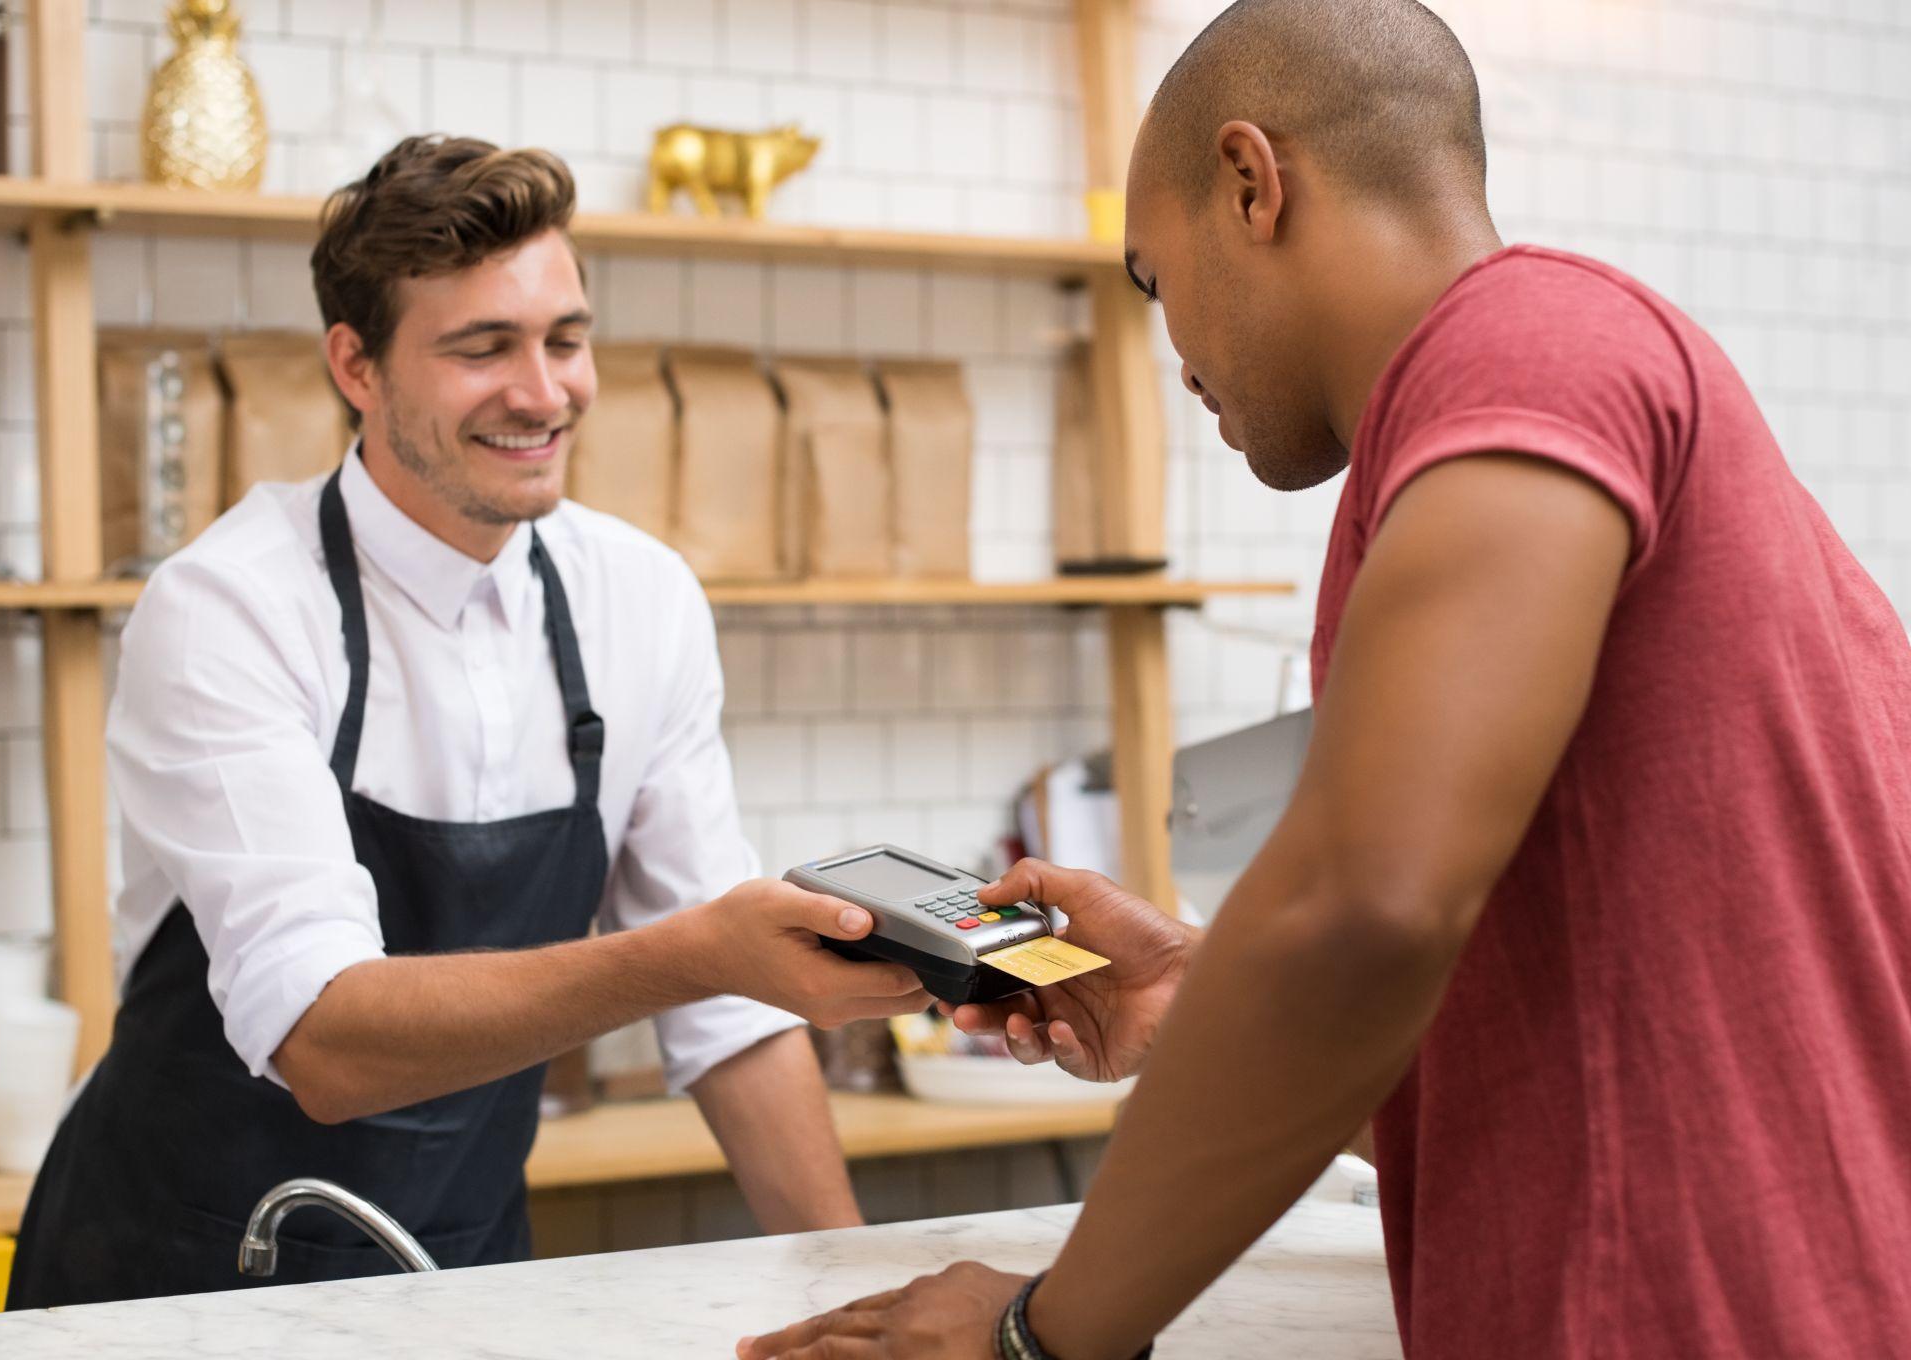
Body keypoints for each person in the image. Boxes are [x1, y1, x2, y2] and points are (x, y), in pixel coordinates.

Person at [740, 1, 1911, 1356]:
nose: (1172, 350)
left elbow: (1366, 909)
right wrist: (1188, 999)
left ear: (1252, 183)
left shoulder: (1532, 344)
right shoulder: (1530, 399)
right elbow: (1568, 1023)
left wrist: (1040, 1335)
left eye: (1151, 277)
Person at [7, 135, 929, 1309]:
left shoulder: (637, 601)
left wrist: (853, 1292)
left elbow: (726, 1017)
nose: (543, 393)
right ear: (357, 365)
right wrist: (693, 950)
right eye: (481, 347)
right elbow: (325, 1042)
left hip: (459, 1276)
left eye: (565, 339)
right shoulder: (230, 607)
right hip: (182, 1282)